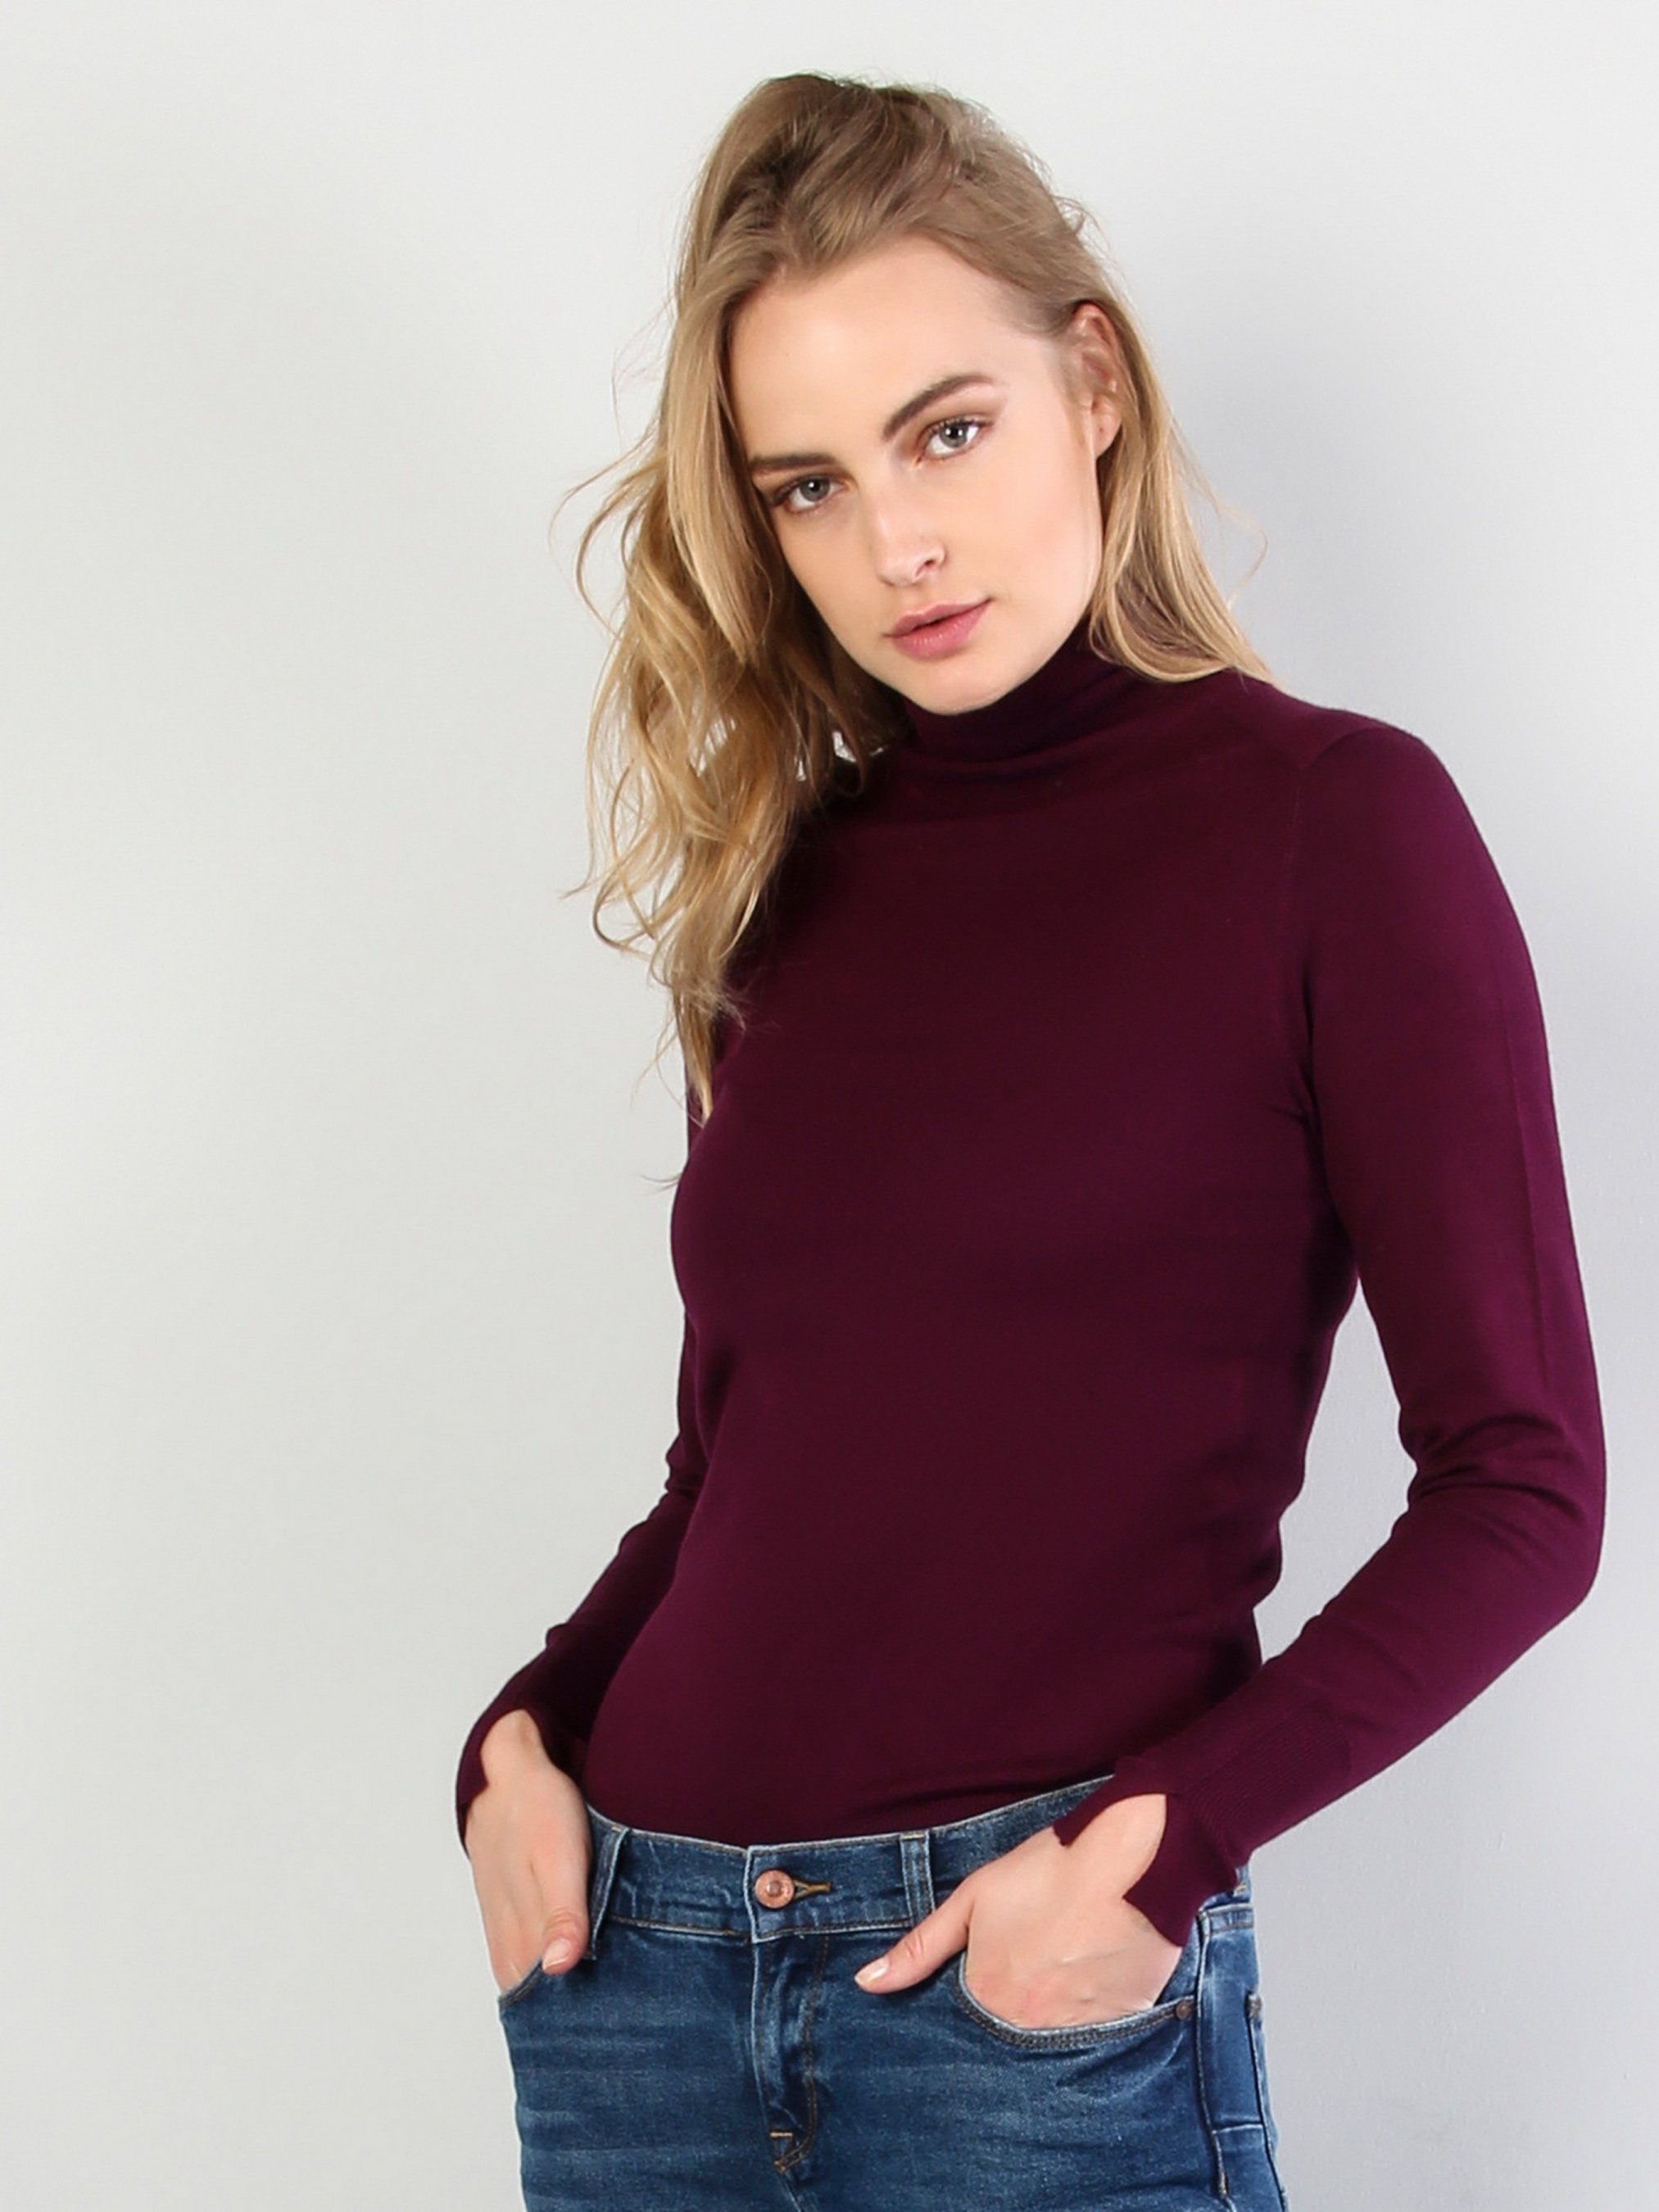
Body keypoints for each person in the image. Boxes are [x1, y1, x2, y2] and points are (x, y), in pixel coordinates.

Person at [453, 71, 1605, 2212]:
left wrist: (1160, 1851)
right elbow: (736, 1471)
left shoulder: (1334, 831)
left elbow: (1525, 1489)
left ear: (1091, 382)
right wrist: (513, 1739)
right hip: (636, 1984)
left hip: (1018, 2013)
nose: (893, 544)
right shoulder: (786, 890)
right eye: (807, 484)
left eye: (946, 431)